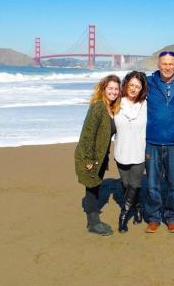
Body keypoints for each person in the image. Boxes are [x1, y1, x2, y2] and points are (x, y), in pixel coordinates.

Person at [145, 51, 174, 233]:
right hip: (152, 142)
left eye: (171, 64)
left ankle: (172, 217)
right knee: (153, 184)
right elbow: (128, 89)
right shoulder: (149, 82)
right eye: (164, 64)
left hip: (173, 143)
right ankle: (154, 218)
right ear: (158, 64)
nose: (167, 67)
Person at [74, 75, 121, 236]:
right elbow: (87, 134)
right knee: (92, 187)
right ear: (103, 89)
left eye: (116, 89)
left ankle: (93, 219)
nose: (113, 92)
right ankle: (93, 223)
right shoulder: (98, 107)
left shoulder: (110, 107)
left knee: (95, 185)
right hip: (90, 156)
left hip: (99, 156)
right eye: (110, 88)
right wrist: (88, 159)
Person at [114, 71, 148, 233]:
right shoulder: (116, 103)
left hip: (139, 153)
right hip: (121, 152)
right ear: (126, 84)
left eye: (138, 86)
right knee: (126, 185)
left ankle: (123, 218)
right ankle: (139, 208)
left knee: (134, 185)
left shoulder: (147, 105)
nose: (134, 89)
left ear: (142, 89)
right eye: (131, 85)